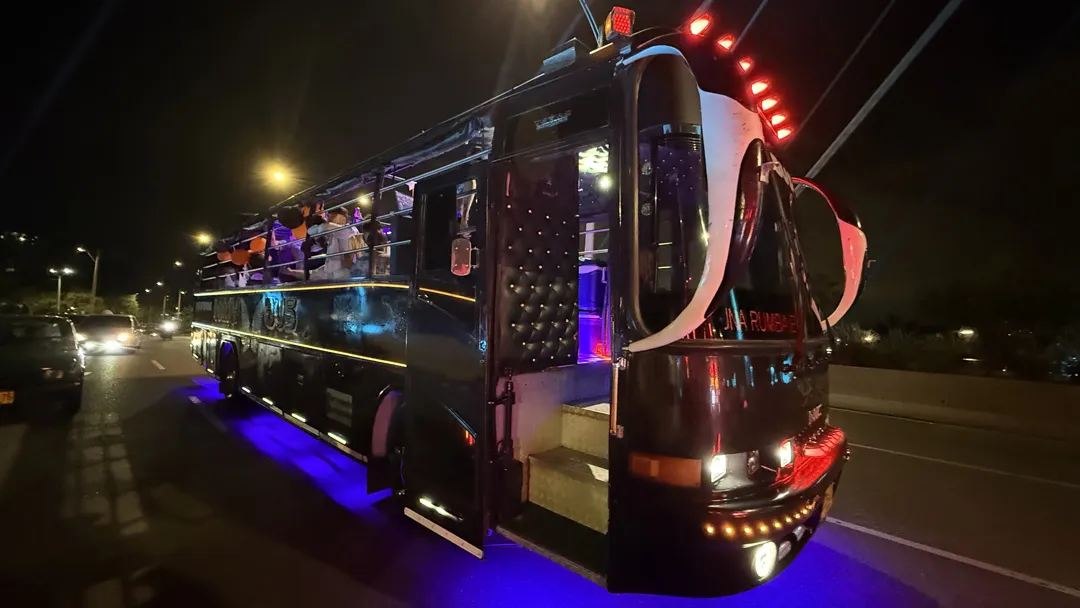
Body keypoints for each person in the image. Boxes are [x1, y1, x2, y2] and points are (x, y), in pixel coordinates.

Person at [286, 207, 358, 281]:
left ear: (342, 218)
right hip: (334, 272)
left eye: (332, 216)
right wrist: (291, 272)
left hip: (345, 275)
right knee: (312, 275)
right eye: (328, 216)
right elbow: (311, 232)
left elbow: (323, 228)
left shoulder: (350, 230)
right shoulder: (333, 233)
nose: (329, 219)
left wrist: (319, 224)